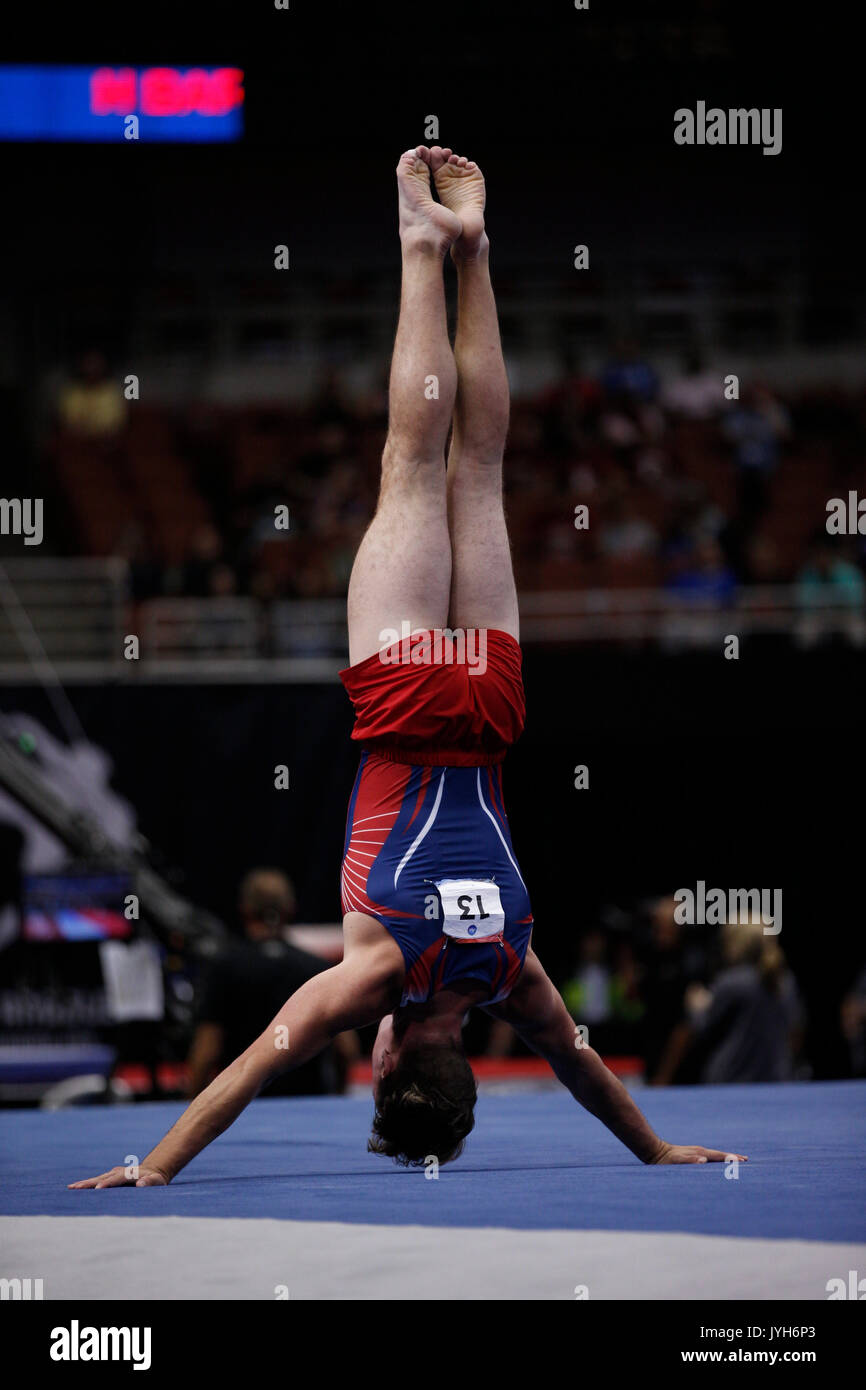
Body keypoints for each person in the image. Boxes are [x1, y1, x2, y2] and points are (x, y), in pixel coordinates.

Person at [70, 146, 745, 1191]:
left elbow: (583, 1068)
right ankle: (419, 243)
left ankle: (474, 252)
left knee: (477, 470)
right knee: (409, 461)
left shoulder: (511, 974)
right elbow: (252, 1063)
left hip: (491, 701)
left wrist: (655, 1145)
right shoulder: (376, 972)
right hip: (404, 697)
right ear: (384, 1059)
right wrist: (152, 1167)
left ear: (465, 1059)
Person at [186, 868, 355, 1098]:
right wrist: (338, 1095)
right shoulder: (317, 969)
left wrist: (190, 1104)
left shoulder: (224, 968)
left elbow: (207, 1051)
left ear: (244, 910)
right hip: (307, 1105)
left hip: (241, 1105)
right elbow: (345, 1050)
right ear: (290, 909)